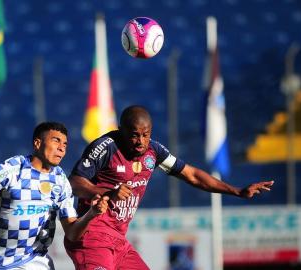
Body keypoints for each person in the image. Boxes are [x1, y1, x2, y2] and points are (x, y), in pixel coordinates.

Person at [64, 105, 274, 270]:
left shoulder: (154, 151)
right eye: (134, 135)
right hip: (91, 236)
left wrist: (236, 191)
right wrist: (107, 193)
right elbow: (74, 183)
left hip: (118, 240)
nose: (140, 141)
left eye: (145, 134)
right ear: (121, 130)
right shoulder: (106, 147)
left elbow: (192, 175)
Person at [0, 122, 109, 270]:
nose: (62, 148)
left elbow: (72, 232)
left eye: (65, 144)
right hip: (2, 261)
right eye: (56, 140)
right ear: (37, 143)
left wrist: (91, 214)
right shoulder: (11, 169)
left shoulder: (61, 180)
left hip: (37, 260)